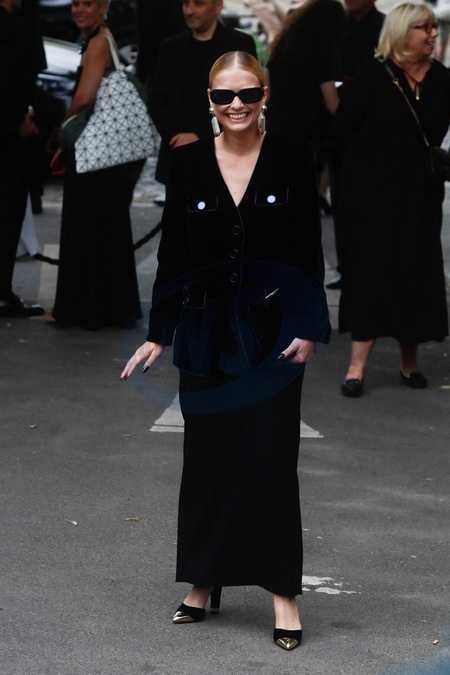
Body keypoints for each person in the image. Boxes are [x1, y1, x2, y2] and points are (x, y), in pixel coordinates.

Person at [121, 51, 330, 650]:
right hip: (205, 333)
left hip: (274, 335)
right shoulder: (187, 162)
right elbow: (174, 255)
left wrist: (309, 324)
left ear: (265, 95)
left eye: (247, 93)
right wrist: (158, 332)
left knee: (270, 460)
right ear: (208, 100)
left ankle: (283, 592)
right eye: (223, 95)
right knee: (208, 459)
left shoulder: (294, 155)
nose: (235, 105)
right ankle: (204, 579)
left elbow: (308, 248)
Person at [335, 2, 450, 397]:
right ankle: (356, 368)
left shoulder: (442, 79)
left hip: (421, 195)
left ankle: (409, 363)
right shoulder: (371, 77)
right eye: (424, 27)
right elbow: (342, 134)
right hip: (372, 196)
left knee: (415, 273)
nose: (433, 33)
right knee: (372, 275)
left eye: (433, 27)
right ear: (402, 32)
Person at [50, 0, 142, 331]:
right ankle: (108, 308)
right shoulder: (101, 38)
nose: (79, 10)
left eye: (87, 3)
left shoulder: (98, 42)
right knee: (105, 230)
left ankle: (87, 310)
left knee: (90, 228)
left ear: (102, 7)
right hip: (105, 154)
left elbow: (85, 96)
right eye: (75, 3)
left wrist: (63, 131)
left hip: (94, 155)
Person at [147, 0, 257, 186]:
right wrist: (177, 137)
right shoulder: (170, 47)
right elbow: (156, 99)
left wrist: (199, 136)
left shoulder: (239, 44)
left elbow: (246, 99)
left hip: (224, 154)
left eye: (199, 4)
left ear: (218, 6)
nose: (189, 10)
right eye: (185, 4)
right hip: (178, 153)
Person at [266, 0, 345, 214]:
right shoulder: (322, 55)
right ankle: (320, 195)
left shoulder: (280, 48)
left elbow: (268, 92)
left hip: (276, 124)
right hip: (306, 128)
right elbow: (332, 105)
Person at [0, 0, 43, 318]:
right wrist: (20, 120)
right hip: (7, 139)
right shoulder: (14, 28)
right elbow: (11, 83)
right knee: (7, 212)